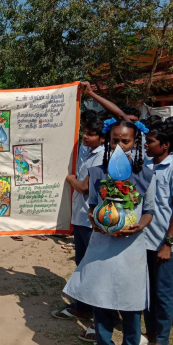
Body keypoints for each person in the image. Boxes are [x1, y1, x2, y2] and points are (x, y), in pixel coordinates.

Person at [64, 119, 155, 345]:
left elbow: (149, 211)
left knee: (131, 303)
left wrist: (138, 226)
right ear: (108, 142)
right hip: (102, 245)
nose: (120, 145)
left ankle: (130, 344)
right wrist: (95, 220)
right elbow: (93, 206)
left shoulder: (146, 175)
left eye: (126, 141)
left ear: (135, 143)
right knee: (101, 298)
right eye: (115, 141)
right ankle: (105, 344)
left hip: (131, 249)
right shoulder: (97, 173)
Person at [53, 116, 105, 324]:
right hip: (82, 218)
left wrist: (70, 179)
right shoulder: (90, 153)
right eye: (85, 131)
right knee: (82, 263)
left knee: (91, 266)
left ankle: (97, 315)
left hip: (91, 220)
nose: (85, 136)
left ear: (102, 138)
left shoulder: (102, 158)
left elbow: (84, 187)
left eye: (91, 134)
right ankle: (82, 307)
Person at [141, 121, 173, 345]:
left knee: (162, 293)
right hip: (143, 241)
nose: (145, 145)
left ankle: (161, 341)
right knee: (145, 290)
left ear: (165, 145)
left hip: (164, 242)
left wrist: (169, 243)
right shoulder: (146, 165)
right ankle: (150, 333)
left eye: (150, 142)